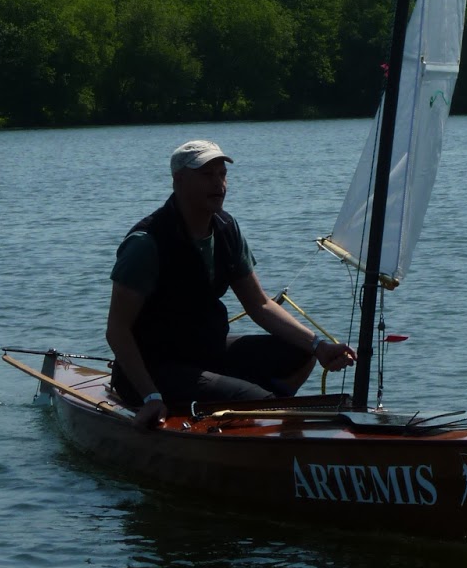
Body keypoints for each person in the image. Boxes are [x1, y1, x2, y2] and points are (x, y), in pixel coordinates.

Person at [107, 139, 355, 425]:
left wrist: (320, 346)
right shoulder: (146, 244)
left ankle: (259, 415)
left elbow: (260, 305)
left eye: (222, 175)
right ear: (179, 180)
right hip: (154, 368)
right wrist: (150, 396)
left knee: (302, 353)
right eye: (207, 175)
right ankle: (260, 413)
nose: (219, 184)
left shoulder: (227, 229)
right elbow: (117, 330)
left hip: (206, 353)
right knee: (259, 403)